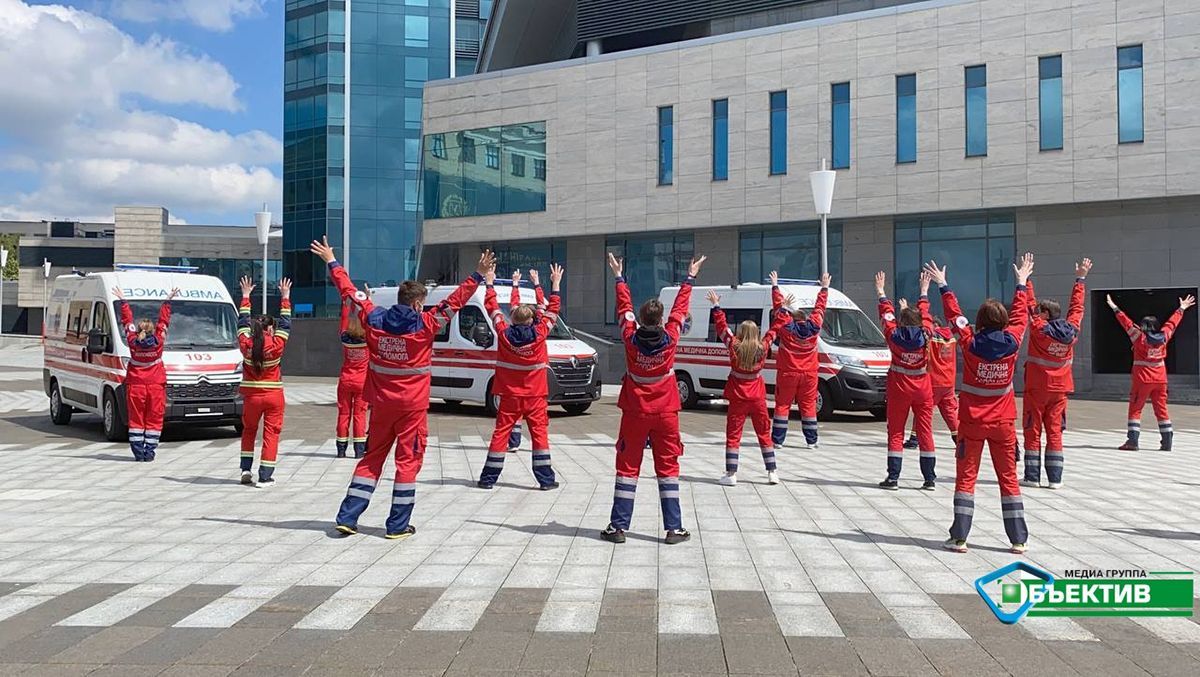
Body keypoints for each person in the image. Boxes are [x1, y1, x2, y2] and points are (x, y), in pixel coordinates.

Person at [312, 236, 492, 539]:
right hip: (412, 409)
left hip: (381, 405)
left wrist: (332, 260)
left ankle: (348, 517)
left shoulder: (374, 317)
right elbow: (457, 301)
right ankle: (397, 526)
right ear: (419, 303)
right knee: (407, 463)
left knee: (371, 459)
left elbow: (350, 292)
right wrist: (477, 274)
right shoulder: (427, 324)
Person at [926, 254, 1034, 555]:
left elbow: (954, 316)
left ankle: (960, 538)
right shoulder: (1013, 340)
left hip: (972, 422)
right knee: (1009, 479)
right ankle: (1018, 539)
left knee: (967, 478)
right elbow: (1021, 316)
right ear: (1004, 321)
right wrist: (1021, 283)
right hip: (1003, 423)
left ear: (981, 321)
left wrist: (943, 285)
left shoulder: (970, 342)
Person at [601, 251, 706, 545]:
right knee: (668, 468)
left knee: (627, 467)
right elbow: (681, 310)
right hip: (666, 411)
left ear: (641, 318)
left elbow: (623, 308)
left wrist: (619, 276)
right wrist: (690, 277)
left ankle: (618, 527)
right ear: (660, 319)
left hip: (635, 410)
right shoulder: (671, 336)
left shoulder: (629, 336)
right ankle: (674, 529)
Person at [478, 263, 564, 489]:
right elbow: (552, 310)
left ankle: (488, 479)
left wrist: (489, 283)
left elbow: (493, 308)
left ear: (512, 318)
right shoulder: (540, 332)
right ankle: (545, 480)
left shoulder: (503, 332)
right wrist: (554, 284)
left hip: (508, 395)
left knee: (500, 434)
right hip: (535, 395)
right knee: (539, 437)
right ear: (531, 320)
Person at [1021, 258, 1091, 488]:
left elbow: (1029, 305)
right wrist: (1080, 279)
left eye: (1040, 312)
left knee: (1033, 429)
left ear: (1045, 314)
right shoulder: (1072, 329)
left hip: (1037, 387)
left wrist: (1025, 279)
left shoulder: (1039, 329)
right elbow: (1077, 308)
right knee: (1055, 432)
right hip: (1060, 389)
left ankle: (1032, 476)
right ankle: (1055, 479)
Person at [708, 289, 785, 486]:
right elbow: (775, 329)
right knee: (763, 433)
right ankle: (772, 471)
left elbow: (722, 328)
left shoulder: (734, 345)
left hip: (738, 395)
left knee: (734, 435)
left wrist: (716, 306)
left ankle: (731, 473)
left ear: (741, 332)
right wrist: (783, 309)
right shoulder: (763, 346)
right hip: (757, 395)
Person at [1108, 292, 1195, 451]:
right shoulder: (1164, 337)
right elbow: (1172, 323)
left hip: (1142, 380)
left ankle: (1132, 442)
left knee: (1136, 409)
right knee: (1161, 409)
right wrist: (1181, 308)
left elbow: (1126, 323)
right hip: (1161, 379)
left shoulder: (1139, 338)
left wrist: (1114, 307)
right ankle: (1167, 441)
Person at [875, 271, 936, 491]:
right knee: (925, 431)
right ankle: (929, 478)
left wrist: (882, 292)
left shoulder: (893, 335)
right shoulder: (927, 333)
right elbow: (926, 314)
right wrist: (923, 292)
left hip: (899, 388)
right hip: (923, 388)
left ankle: (893, 478)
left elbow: (887, 315)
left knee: (896, 432)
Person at [237, 276, 292, 487]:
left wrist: (245, 296)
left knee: (249, 431)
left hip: (251, 397)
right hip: (274, 396)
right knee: (271, 434)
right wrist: (285, 297)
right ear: (270, 329)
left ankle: (245, 469)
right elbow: (286, 323)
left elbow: (242, 321)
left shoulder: (245, 343)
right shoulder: (277, 344)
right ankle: (265, 475)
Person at [113, 285, 179, 462]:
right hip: (156, 385)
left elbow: (126, 322)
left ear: (139, 329)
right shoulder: (159, 341)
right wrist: (167, 301)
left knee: (136, 419)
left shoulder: (133, 341)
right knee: (154, 418)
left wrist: (123, 301)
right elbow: (164, 322)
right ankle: (149, 452)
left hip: (135, 385)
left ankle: (137, 452)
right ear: (152, 329)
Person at [769, 271, 829, 448]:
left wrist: (775, 286)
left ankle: (778, 441)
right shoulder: (815, 327)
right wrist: (824, 288)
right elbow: (820, 308)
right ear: (806, 318)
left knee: (782, 406)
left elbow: (779, 311)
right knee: (808, 406)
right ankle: (812, 441)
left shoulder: (787, 328)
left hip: (788, 372)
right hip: (810, 374)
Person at [501, 269, 548, 453]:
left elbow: (513, 306)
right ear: (532, 318)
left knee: (513, 415)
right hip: (535, 382)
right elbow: (544, 305)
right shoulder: (540, 330)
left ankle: (513, 441)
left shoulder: (507, 334)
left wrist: (515, 284)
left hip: (513, 383)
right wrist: (537, 283)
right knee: (538, 422)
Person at [902, 314, 959, 452]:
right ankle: (959, 439)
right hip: (948, 381)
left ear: (935, 325)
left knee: (922, 410)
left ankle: (915, 438)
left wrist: (905, 311)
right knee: (950, 412)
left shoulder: (932, 337)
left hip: (933, 381)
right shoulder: (951, 338)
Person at [335, 297, 369, 458]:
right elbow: (370, 320)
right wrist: (367, 300)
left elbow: (343, 321)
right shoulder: (368, 340)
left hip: (345, 380)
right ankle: (359, 450)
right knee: (359, 415)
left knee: (343, 414)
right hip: (362, 382)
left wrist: (346, 304)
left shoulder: (345, 338)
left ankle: (341, 450)